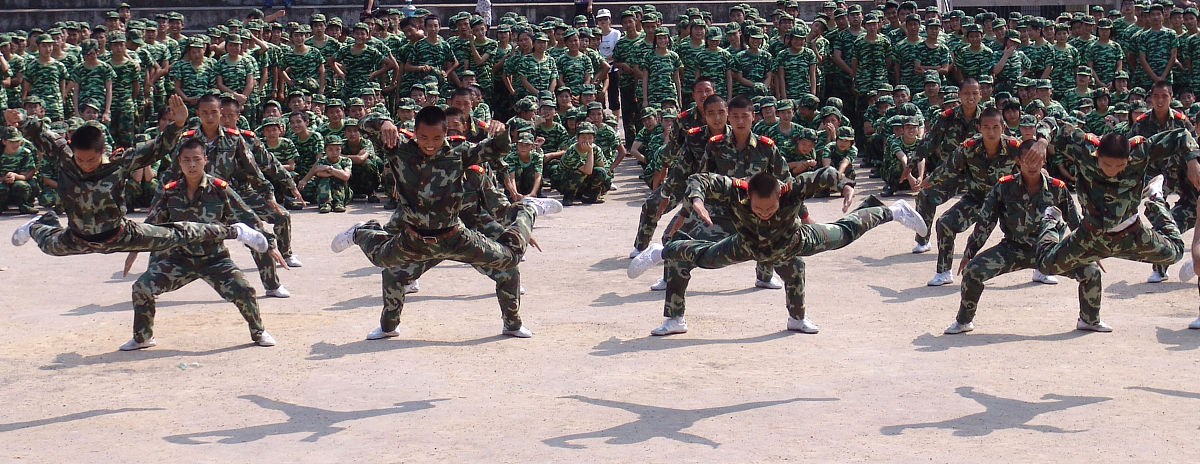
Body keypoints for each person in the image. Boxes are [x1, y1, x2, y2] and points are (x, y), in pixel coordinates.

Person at [329, 106, 561, 338]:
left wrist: (499, 131)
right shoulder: (398, 148)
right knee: (386, 265)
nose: (430, 144)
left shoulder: (460, 151)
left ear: (446, 133)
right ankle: (362, 235)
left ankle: (527, 211)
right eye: (424, 138)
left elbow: (498, 149)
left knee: (510, 260)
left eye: (437, 138)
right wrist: (383, 122)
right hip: (414, 239)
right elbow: (361, 124)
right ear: (415, 133)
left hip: (455, 237)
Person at [627, 169, 926, 335]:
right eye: (759, 208)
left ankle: (894, 211)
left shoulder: (790, 190)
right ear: (749, 197)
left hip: (796, 241)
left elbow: (824, 175)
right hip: (745, 244)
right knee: (704, 258)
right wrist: (697, 199)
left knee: (845, 233)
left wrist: (845, 184)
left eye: (770, 207)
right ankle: (658, 252)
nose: (766, 212)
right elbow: (699, 179)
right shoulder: (736, 189)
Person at [8, 95, 268, 256]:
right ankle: (36, 224)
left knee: (179, 233)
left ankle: (236, 232)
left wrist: (178, 125)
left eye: (91, 159)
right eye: (80, 159)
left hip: (121, 234)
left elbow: (158, 148)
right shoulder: (64, 157)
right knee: (49, 245)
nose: (85, 165)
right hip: (77, 237)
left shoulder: (118, 164)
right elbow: (40, 132)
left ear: (103, 152)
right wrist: (19, 117)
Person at [120, 137, 281, 351]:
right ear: (179, 161)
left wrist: (269, 243)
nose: (192, 165)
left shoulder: (219, 189)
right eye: (186, 160)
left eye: (197, 159)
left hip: (215, 259)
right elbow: (151, 224)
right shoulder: (170, 191)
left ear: (206, 159)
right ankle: (142, 337)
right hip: (179, 259)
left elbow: (248, 217)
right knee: (141, 288)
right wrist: (135, 250)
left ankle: (258, 331)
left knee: (245, 290)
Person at [1037, 129, 1200, 332]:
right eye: (1106, 164)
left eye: (1120, 165)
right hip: (1091, 235)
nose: (1112, 170)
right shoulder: (1084, 148)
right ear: (1097, 156)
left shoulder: (1140, 150)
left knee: (1174, 253)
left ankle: (1156, 201)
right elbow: (1053, 125)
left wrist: (1192, 161)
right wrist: (1042, 142)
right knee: (1045, 265)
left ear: (1129, 158)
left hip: (1131, 233)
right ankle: (1052, 220)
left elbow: (1181, 136)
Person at [945, 139, 1104, 334]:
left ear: (1044, 160)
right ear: (1018, 161)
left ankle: (1089, 319)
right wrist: (970, 252)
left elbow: (1075, 222)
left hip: (1050, 251)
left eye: (1037, 160)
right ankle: (964, 321)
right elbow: (986, 223)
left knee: (1091, 271)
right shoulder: (1004, 187)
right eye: (1027, 160)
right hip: (1013, 249)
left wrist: (1091, 249)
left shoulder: (1057, 188)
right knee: (972, 272)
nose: (1032, 165)